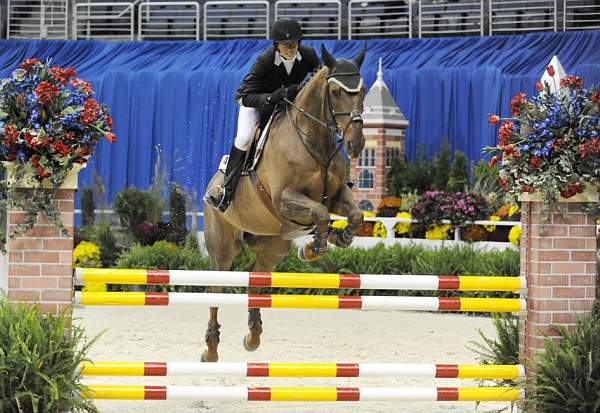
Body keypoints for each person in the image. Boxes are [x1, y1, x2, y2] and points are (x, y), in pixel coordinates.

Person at [205, 18, 320, 212]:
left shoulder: (308, 55)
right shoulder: (265, 60)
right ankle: (226, 189)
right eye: (286, 45)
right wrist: (270, 98)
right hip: (256, 105)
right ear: (277, 45)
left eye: (294, 44)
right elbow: (245, 97)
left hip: (287, 106)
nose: (291, 49)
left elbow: (319, 76)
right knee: (243, 138)